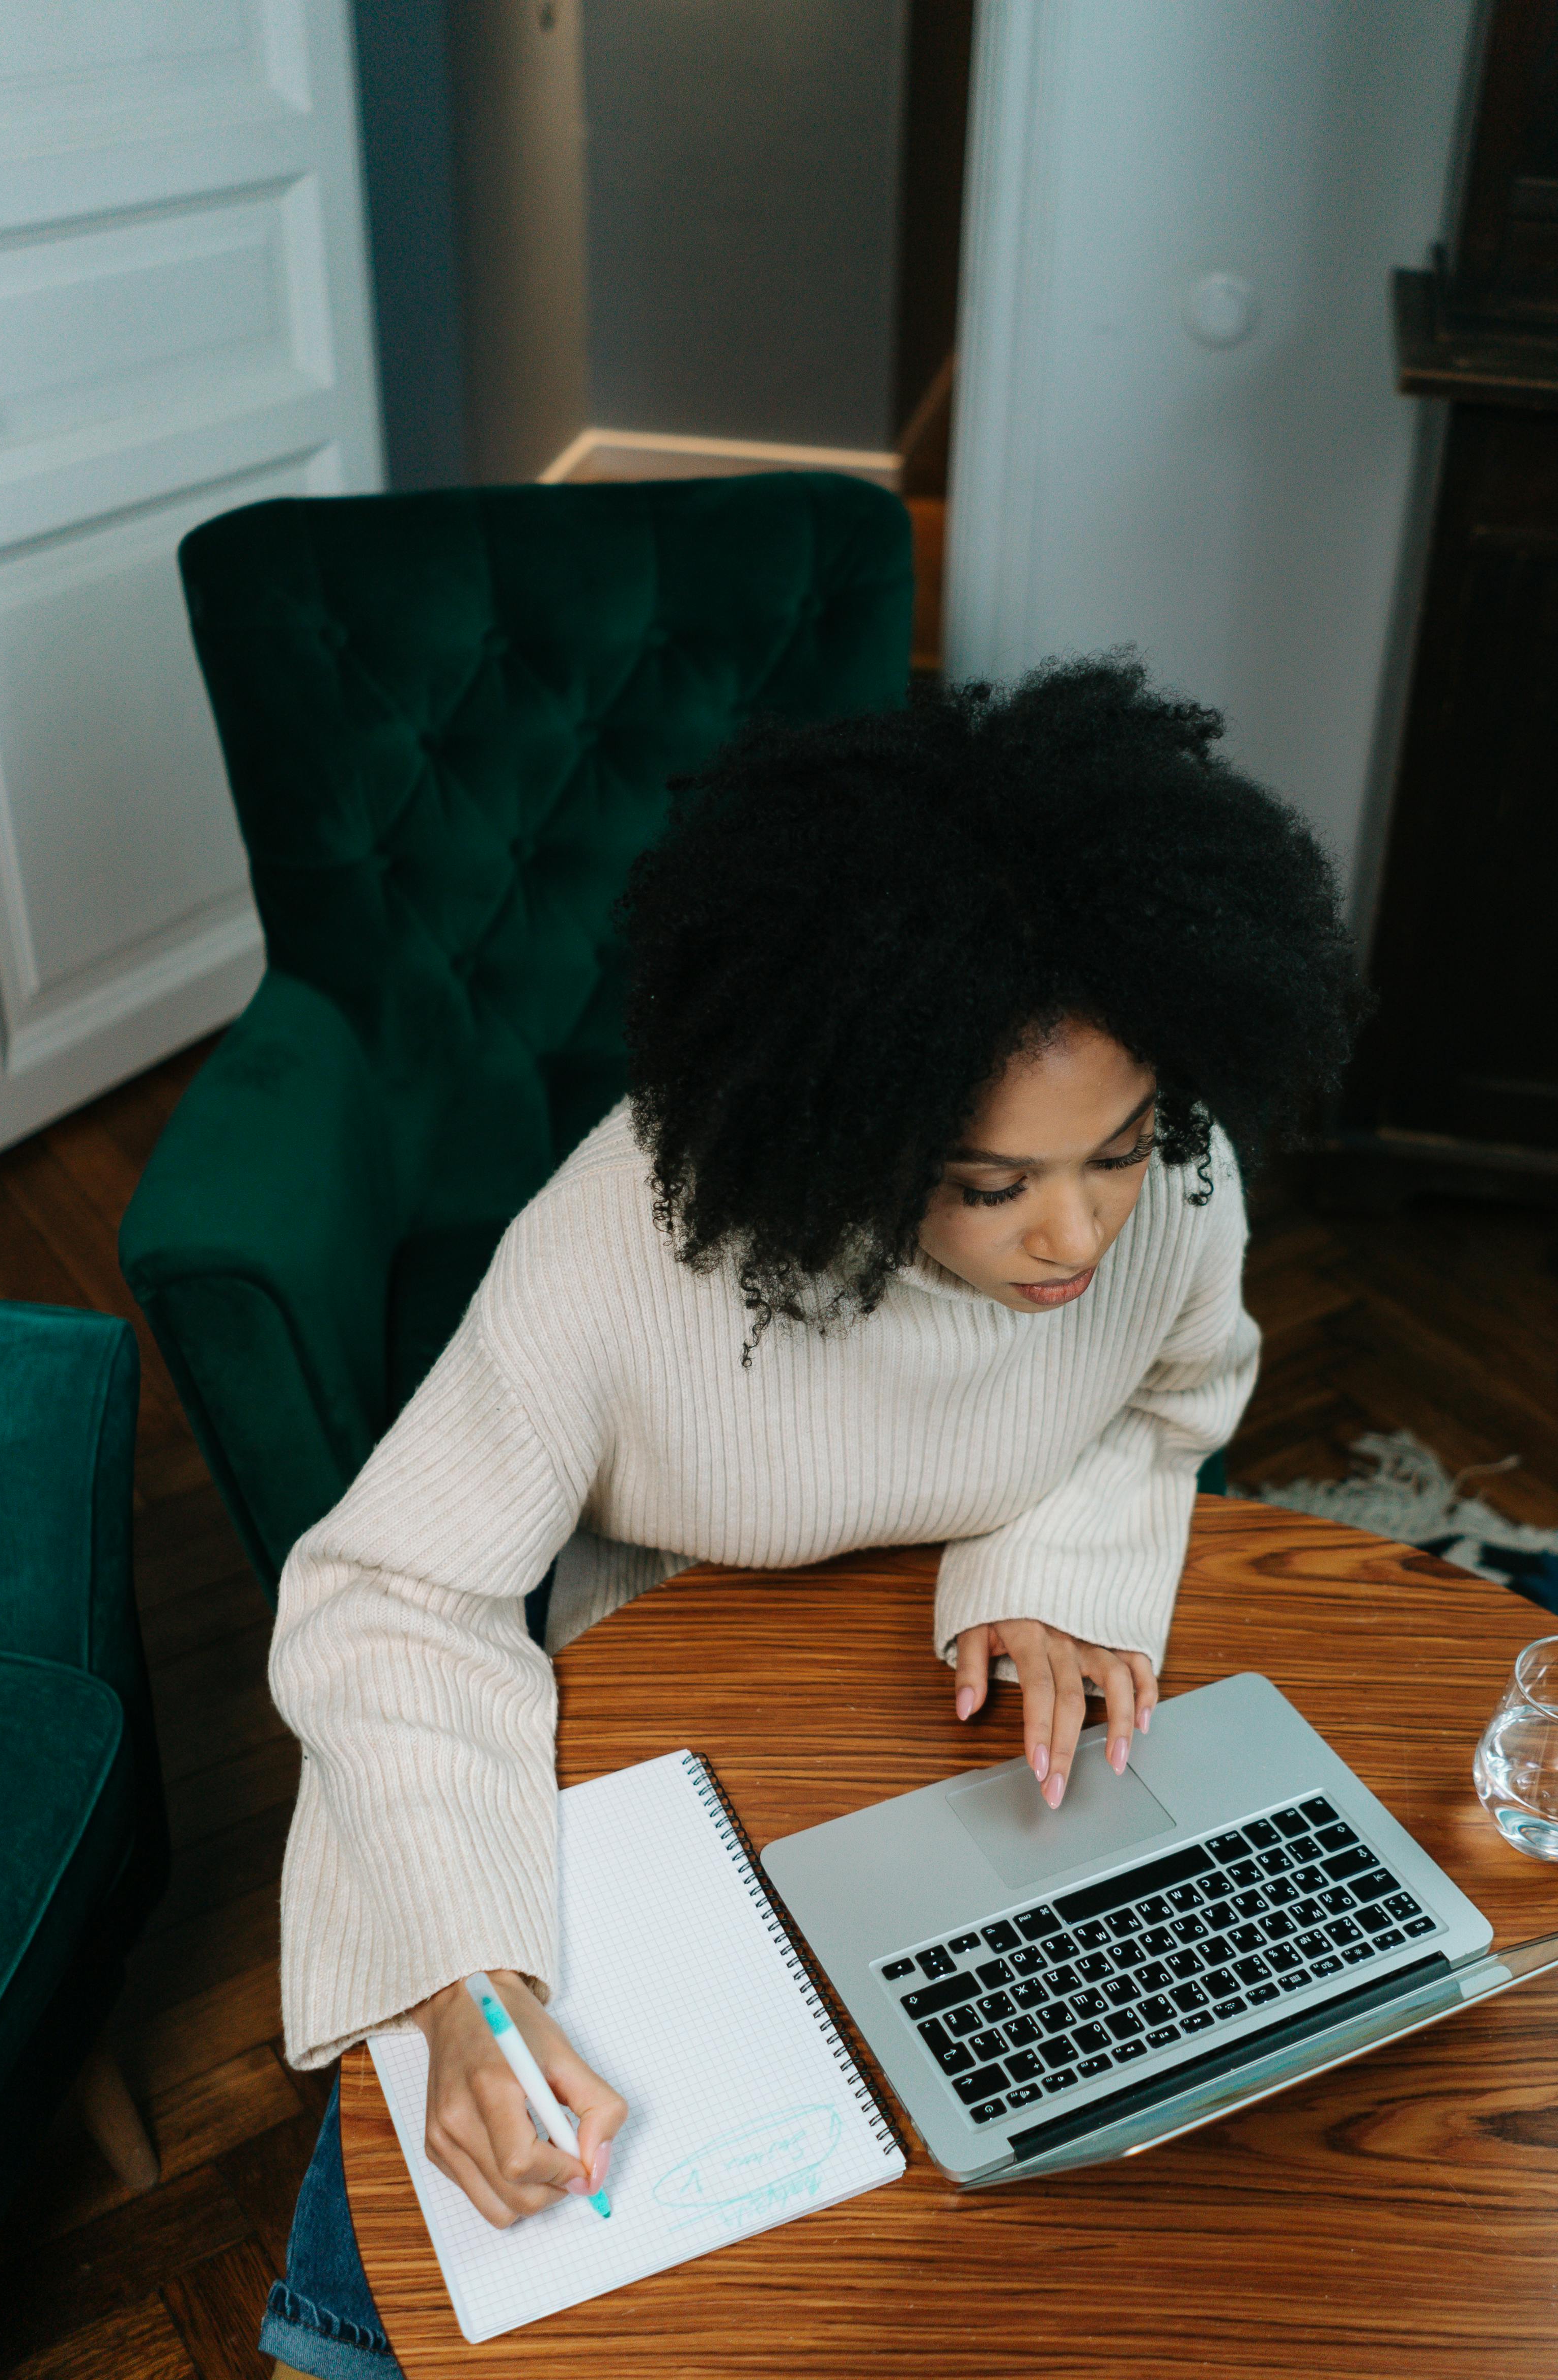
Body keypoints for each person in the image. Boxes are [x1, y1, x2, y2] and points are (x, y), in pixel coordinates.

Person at [260, 657, 1358, 2377]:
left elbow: (1173, 1390)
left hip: (962, 1735)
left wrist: (1053, 1558)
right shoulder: (616, 1247)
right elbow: (386, 1591)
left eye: (1120, 1150)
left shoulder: (1178, 1185)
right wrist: (460, 1978)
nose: (1077, 1236)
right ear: (851, 1128)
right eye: (992, 1185)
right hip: (665, 1698)